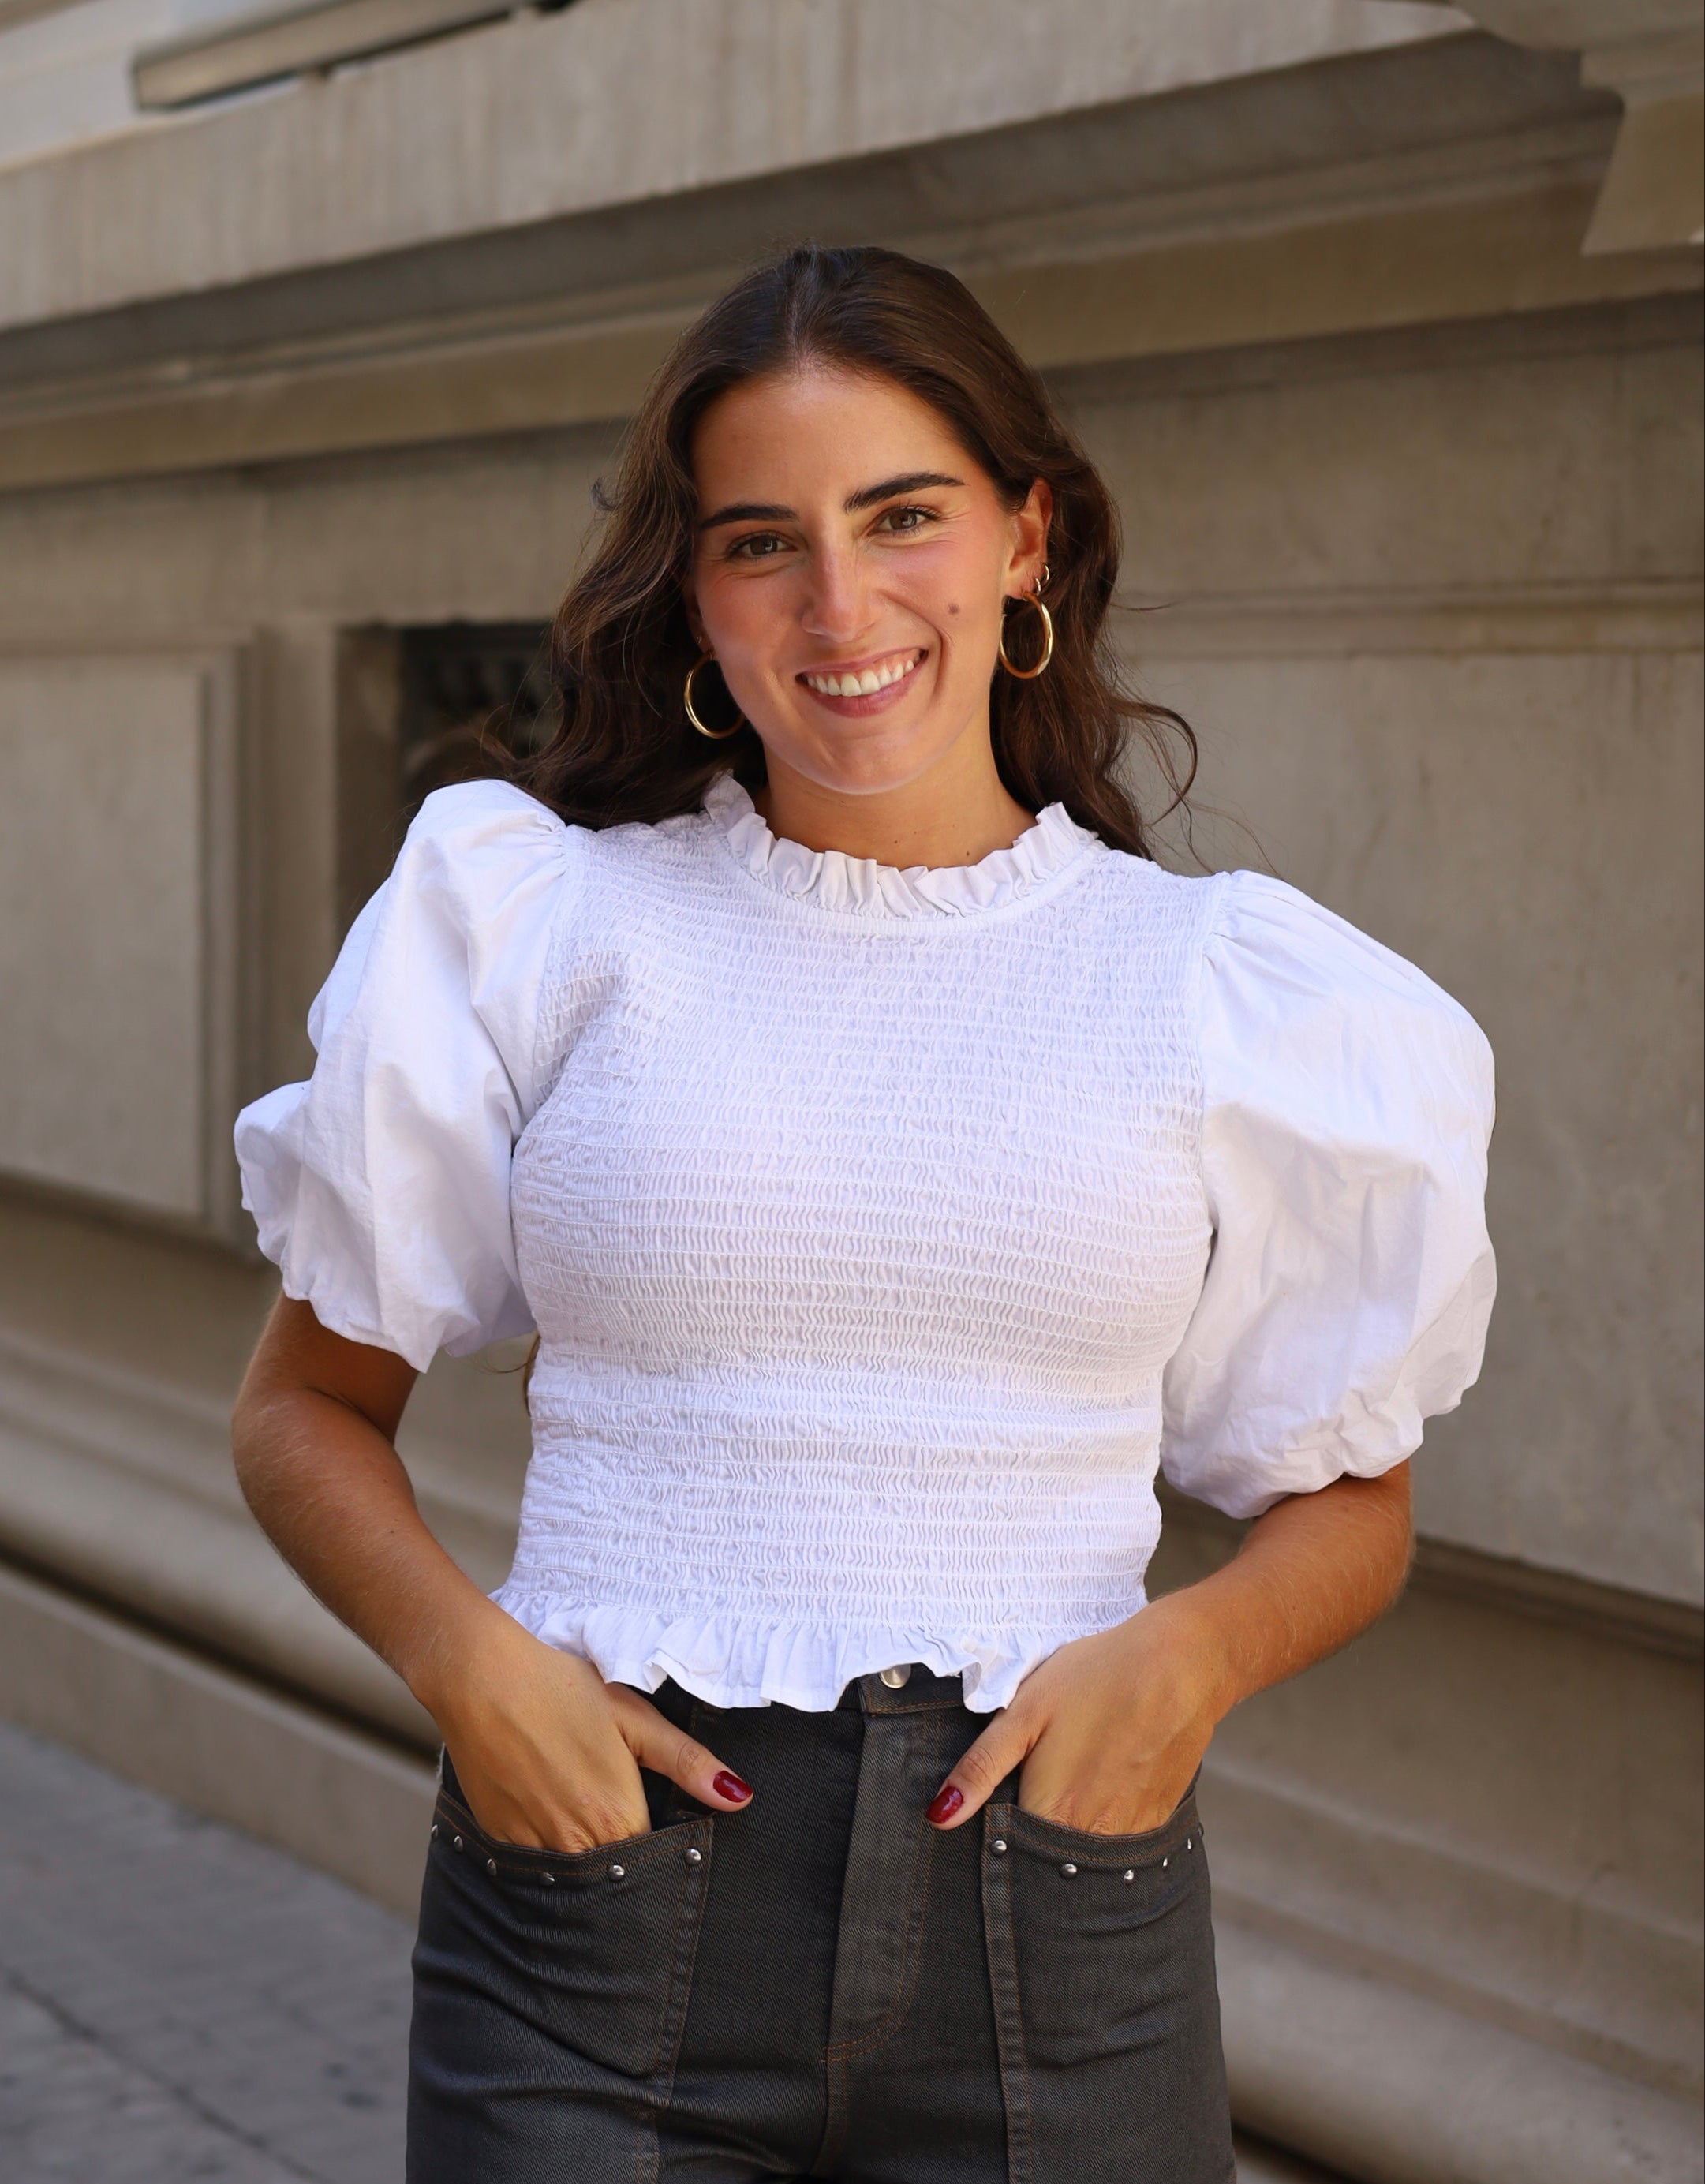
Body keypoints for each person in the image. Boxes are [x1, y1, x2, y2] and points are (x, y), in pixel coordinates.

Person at [231, 245, 1495, 2183]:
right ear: (694, 593)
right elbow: (302, 1409)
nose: (839, 605)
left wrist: (1189, 1660)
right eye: (764, 542)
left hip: (1055, 1918)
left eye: (902, 515)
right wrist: (470, 1669)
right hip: (591, 1912)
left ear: (1024, 539)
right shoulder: (544, 926)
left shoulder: (1219, 988)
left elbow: (1350, 1508)